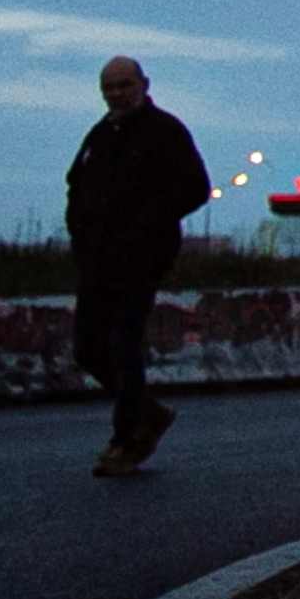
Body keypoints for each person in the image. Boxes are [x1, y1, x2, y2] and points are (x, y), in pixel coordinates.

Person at [65, 54, 207, 476]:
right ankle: (147, 413)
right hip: (97, 259)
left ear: (144, 84)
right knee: (88, 349)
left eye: (124, 85)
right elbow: (76, 186)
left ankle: (127, 438)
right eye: (109, 87)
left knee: (124, 343)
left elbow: (196, 188)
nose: (116, 94)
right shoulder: (100, 135)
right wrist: (81, 234)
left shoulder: (165, 132)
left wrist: (148, 225)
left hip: (142, 257)